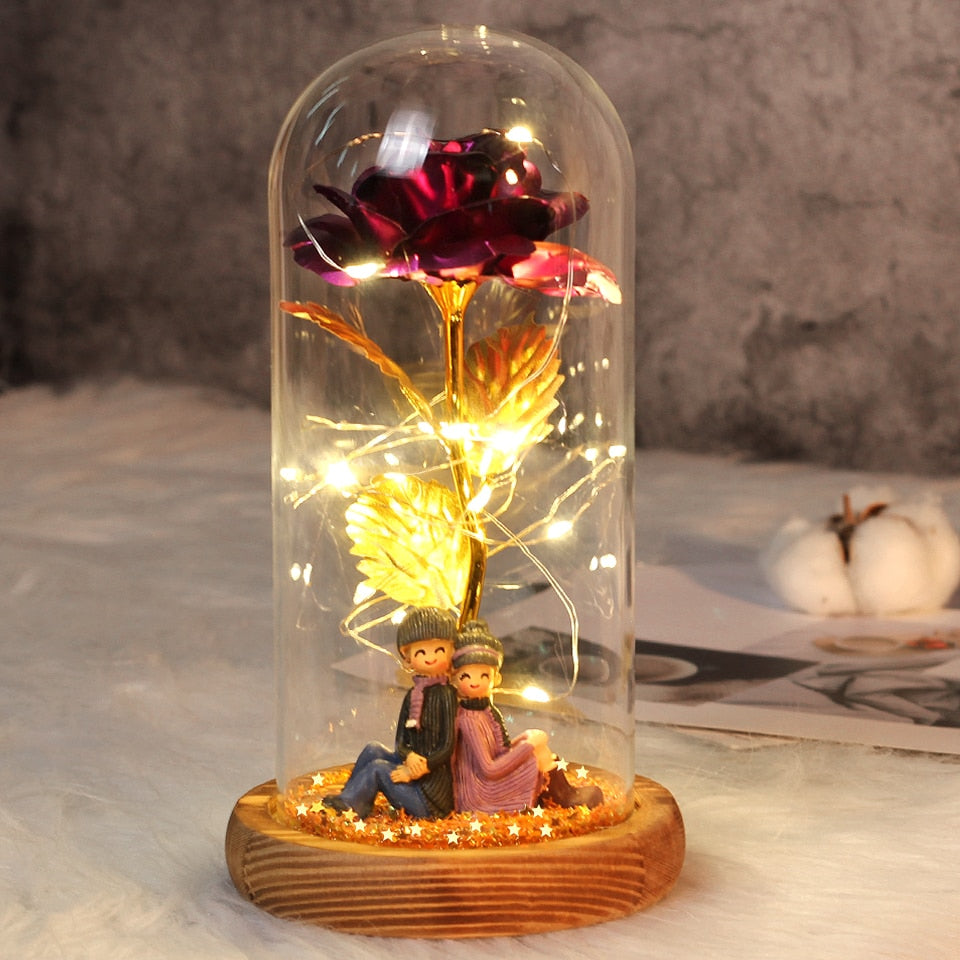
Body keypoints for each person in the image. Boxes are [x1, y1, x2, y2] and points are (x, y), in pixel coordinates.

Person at [451, 620, 603, 814]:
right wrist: (528, 746)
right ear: (454, 679)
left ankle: (562, 793)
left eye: (484, 676)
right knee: (534, 757)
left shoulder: (485, 711)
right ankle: (560, 797)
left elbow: (501, 751)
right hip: (481, 791)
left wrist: (525, 739)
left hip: (490, 777)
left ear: (496, 679)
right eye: (466, 676)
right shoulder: (469, 719)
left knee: (541, 750)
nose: (475, 682)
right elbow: (489, 768)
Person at [323, 606, 458, 819]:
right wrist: (409, 756)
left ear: (452, 652)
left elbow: (447, 745)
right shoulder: (412, 695)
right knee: (373, 749)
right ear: (407, 658)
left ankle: (351, 808)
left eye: (439, 650)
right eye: (421, 652)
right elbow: (401, 742)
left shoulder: (447, 695)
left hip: (429, 797)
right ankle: (348, 797)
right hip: (411, 770)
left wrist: (419, 768)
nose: (430, 657)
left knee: (378, 768)